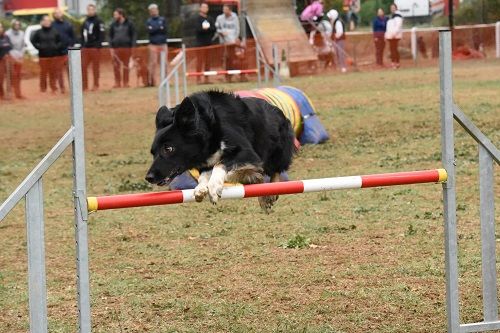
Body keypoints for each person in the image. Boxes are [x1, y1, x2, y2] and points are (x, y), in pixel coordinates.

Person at [31, 15, 62, 94]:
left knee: (53, 73)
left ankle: (53, 88)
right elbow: (33, 41)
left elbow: (60, 41)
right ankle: (43, 88)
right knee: (43, 73)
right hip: (43, 56)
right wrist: (39, 47)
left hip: (53, 56)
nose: (47, 22)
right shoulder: (38, 32)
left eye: (48, 21)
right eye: (45, 20)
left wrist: (56, 47)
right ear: (42, 22)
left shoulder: (55, 31)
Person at [110, 8, 136, 88]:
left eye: (116, 14)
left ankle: (126, 82)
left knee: (126, 66)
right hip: (116, 48)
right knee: (116, 66)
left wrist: (133, 47)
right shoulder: (113, 25)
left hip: (127, 48)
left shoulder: (130, 24)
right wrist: (111, 47)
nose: (114, 16)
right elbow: (110, 36)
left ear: (121, 15)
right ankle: (117, 82)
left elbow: (134, 36)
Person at [81, 4, 105, 91]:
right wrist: (82, 45)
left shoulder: (99, 21)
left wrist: (98, 45)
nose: (90, 11)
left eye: (92, 10)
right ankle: (85, 86)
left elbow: (102, 34)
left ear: (94, 10)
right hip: (86, 48)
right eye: (89, 10)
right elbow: (82, 35)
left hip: (95, 48)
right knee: (83, 66)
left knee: (95, 67)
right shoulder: (85, 22)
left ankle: (96, 84)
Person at [52, 8, 75, 93]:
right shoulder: (52, 25)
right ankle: (62, 88)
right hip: (57, 52)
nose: (58, 14)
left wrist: (71, 46)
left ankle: (72, 87)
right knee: (59, 72)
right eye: (56, 13)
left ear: (62, 14)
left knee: (70, 70)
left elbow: (73, 37)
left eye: (59, 13)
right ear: (54, 15)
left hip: (68, 51)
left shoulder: (68, 24)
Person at [215, 4, 240, 82]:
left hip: (232, 42)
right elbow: (217, 28)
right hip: (223, 42)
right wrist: (222, 33)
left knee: (232, 59)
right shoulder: (219, 18)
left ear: (230, 10)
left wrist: (236, 38)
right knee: (224, 59)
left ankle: (231, 76)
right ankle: (225, 76)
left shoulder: (235, 17)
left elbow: (237, 28)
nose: (224, 11)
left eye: (226, 9)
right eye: (223, 9)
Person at [146, 3, 167, 86]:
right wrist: (159, 28)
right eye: (152, 10)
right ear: (150, 12)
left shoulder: (163, 19)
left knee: (164, 63)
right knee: (153, 63)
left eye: (155, 10)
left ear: (157, 10)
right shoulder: (149, 21)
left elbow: (164, 29)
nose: (153, 11)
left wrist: (155, 28)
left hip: (163, 44)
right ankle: (151, 81)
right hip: (153, 45)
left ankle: (166, 81)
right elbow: (150, 31)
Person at [195, 3, 215, 84]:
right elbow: (198, 29)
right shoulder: (197, 19)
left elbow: (213, 28)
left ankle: (207, 78)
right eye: (203, 7)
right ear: (200, 8)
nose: (205, 8)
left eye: (206, 7)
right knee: (200, 61)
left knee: (208, 61)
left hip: (209, 43)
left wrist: (208, 28)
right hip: (200, 44)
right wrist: (204, 29)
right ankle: (198, 78)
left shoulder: (210, 18)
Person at [5, 19, 25, 99]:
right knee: (12, 75)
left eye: (18, 24)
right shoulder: (7, 34)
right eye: (15, 24)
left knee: (18, 75)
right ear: (12, 25)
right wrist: (14, 56)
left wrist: (21, 54)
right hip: (11, 56)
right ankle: (11, 92)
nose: (17, 26)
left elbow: (23, 45)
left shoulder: (22, 33)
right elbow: (8, 47)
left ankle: (18, 93)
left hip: (20, 56)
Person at [385, 3, 403, 69]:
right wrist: (387, 34)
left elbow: (398, 26)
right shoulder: (390, 17)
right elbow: (388, 27)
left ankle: (396, 62)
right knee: (392, 49)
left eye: (393, 7)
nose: (392, 9)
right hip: (390, 36)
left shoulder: (398, 16)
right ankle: (394, 62)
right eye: (391, 8)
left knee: (394, 49)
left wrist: (394, 34)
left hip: (395, 36)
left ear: (396, 8)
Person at [0, 23, 12, 100]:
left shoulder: (6, 37)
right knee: (0, 78)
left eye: (1, 27)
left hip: (6, 60)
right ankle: (2, 94)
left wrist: (8, 54)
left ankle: (9, 93)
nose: (0, 28)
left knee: (9, 76)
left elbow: (9, 46)